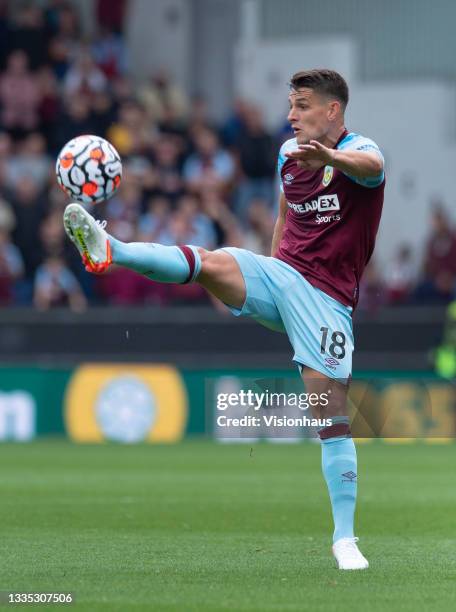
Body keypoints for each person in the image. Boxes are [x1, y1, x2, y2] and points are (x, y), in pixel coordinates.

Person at [63, 69, 385, 570]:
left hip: (327, 301)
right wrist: (275, 264)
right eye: (290, 105)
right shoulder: (287, 155)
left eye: (301, 106)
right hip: (282, 276)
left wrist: (333, 157)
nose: (290, 116)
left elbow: (371, 166)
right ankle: (113, 249)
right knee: (211, 261)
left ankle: (345, 539)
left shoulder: (359, 148)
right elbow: (286, 212)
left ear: (332, 111)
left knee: (331, 417)